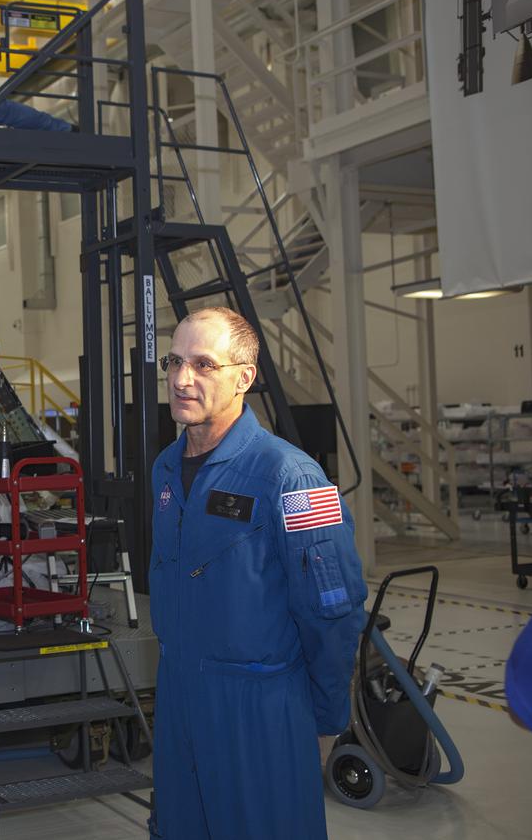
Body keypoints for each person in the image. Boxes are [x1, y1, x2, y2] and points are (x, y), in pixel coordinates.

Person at [147, 307, 367, 840]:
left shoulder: (292, 476)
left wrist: (325, 716)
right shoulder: (164, 470)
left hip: (258, 712)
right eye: (175, 362)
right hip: (179, 698)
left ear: (245, 376)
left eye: (203, 364)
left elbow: (332, 609)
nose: (182, 379)